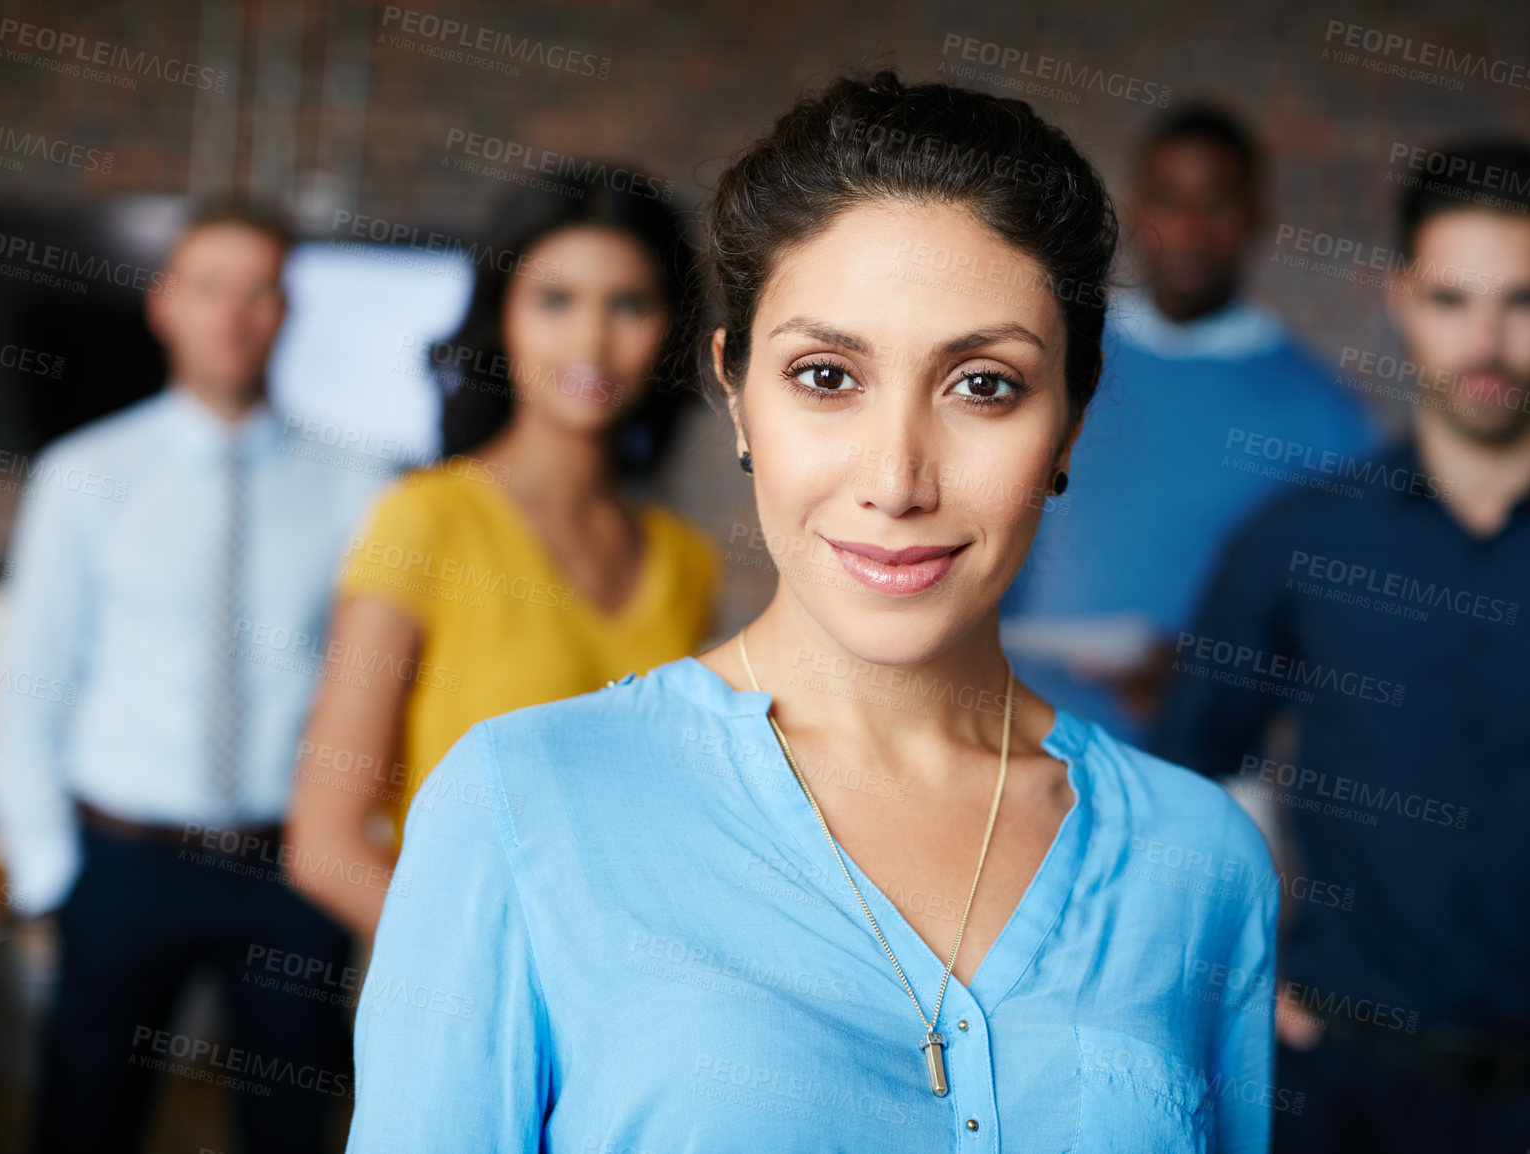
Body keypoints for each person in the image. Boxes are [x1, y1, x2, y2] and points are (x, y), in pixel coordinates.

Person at [341, 71, 1278, 1152]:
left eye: (983, 384)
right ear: (736, 389)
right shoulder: (517, 807)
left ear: (1071, 418)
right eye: (827, 375)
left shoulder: (1199, 859)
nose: (896, 478)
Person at [1151, 142, 1530, 1153]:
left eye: (1523, 300)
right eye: (1453, 299)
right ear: (1401, 296)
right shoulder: (1298, 540)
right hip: (1330, 1099)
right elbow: (1172, 781)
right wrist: (1223, 985)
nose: (1487, 342)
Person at [0, 203, 386, 1152]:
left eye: (260, 291)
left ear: (286, 312)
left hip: (289, 869)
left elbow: (371, 681)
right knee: (85, 1121)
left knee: (291, 1127)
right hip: (121, 864)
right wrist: (53, 876)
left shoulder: (361, 483)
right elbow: (33, 680)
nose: (234, 314)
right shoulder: (82, 475)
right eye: (212, 287)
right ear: (166, 305)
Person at [283, 180, 720, 938]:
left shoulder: (686, 562)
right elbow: (326, 845)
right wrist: (495, 983)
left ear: (670, 330)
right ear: (503, 318)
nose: (591, 340)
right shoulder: (426, 521)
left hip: (628, 1010)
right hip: (465, 1009)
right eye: (556, 300)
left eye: (628, 304)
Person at [1002, 105, 1375, 746]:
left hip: (1212, 768)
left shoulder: (1325, 418)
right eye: (1168, 198)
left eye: (1217, 203)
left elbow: (1346, 632)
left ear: (1258, 217)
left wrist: (1214, 673)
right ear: (1134, 208)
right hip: (1023, 747)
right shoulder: (1047, 362)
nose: (1188, 228)